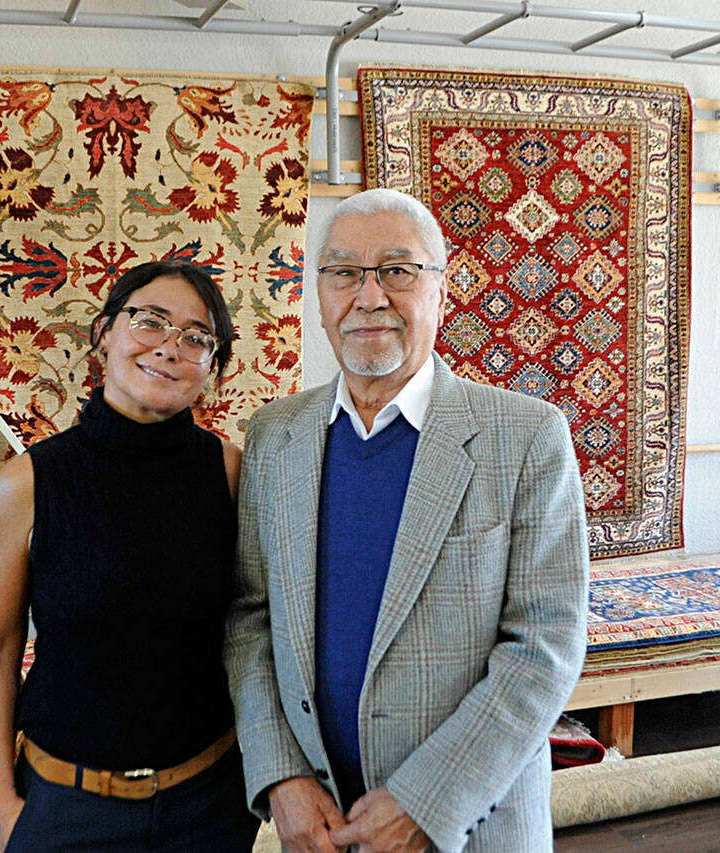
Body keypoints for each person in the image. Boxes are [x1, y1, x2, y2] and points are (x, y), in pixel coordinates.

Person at [225, 188, 590, 852]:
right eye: (343, 273)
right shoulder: (274, 437)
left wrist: (427, 800)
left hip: (471, 823)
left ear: (441, 291)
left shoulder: (527, 435)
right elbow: (250, 617)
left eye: (397, 270)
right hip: (321, 824)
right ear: (321, 293)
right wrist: (279, 773)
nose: (369, 296)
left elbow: (546, 648)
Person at [0, 261, 260, 852]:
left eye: (197, 338)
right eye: (150, 321)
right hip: (66, 804)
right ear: (104, 333)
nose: (169, 348)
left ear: (214, 368)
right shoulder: (27, 484)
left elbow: (258, 628)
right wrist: (2, 808)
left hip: (209, 802)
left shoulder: (231, 475)